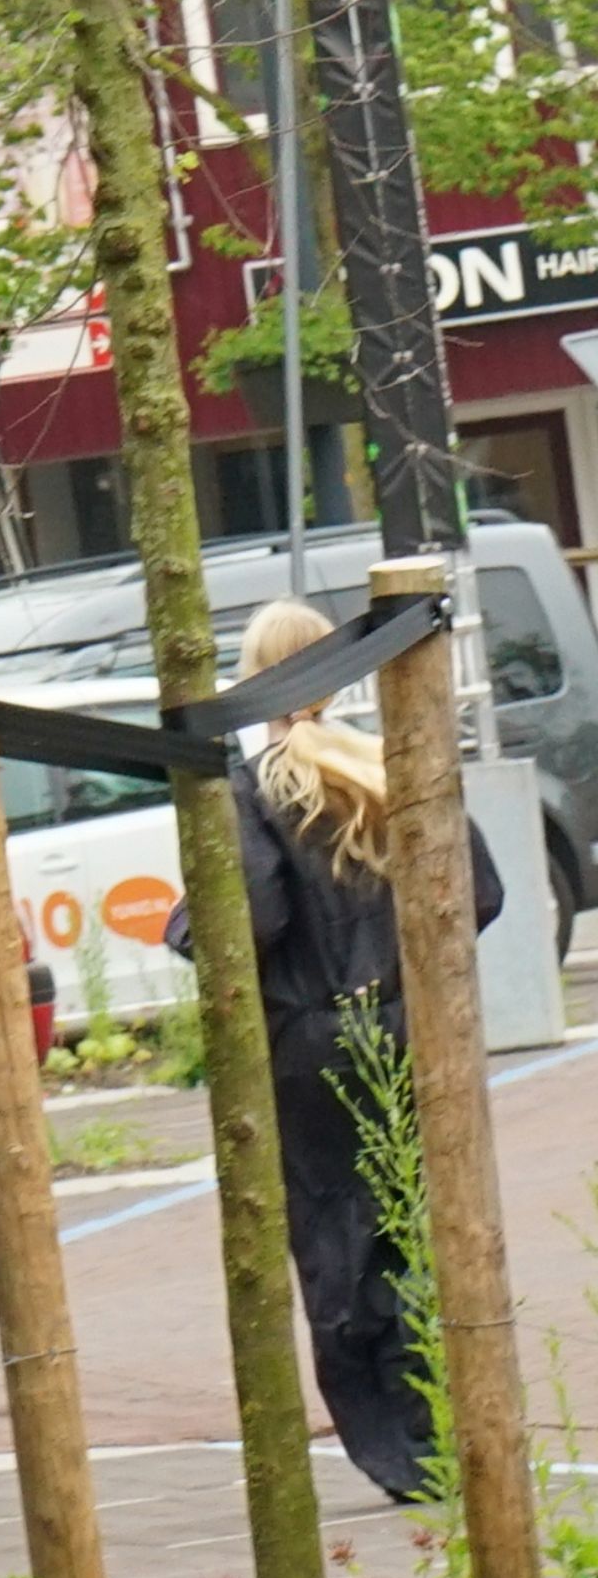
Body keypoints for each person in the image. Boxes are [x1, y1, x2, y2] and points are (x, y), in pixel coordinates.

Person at [180, 593, 502, 1501]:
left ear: (254, 677)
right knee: (423, 1222)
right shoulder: (389, 766)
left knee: (336, 1238)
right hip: (409, 1029)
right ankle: (449, 1419)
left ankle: (395, 1446)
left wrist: (185, 929)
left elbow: (252, 912)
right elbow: (478, 890)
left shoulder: (255, 791)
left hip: (311, 1046)